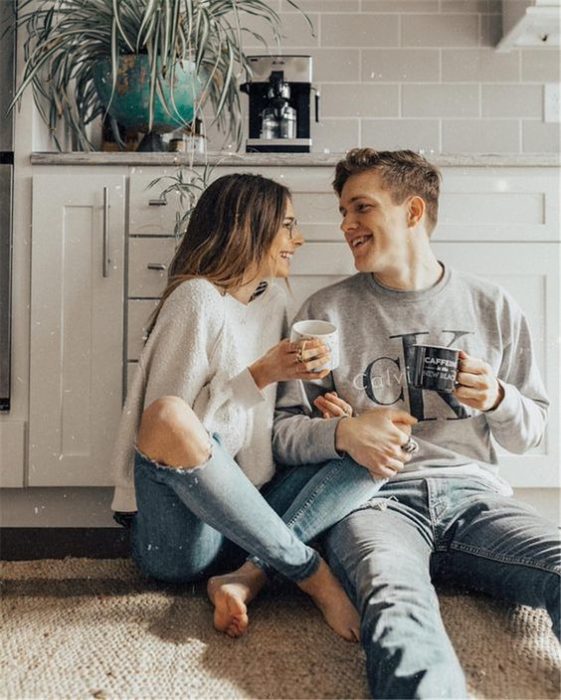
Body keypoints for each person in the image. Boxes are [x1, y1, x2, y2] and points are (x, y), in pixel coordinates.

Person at [273, 149, 560, 699]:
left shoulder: (491, 305)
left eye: (361, 208)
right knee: (394, 601)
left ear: (412, 212)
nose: (345, 226)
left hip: (479, 500)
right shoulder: (324, 313)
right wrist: (341, 433)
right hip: (376, 503)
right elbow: (284, 433)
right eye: (343, 212)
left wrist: (499, 397)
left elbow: (530, 434)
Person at [110, 172, 405, 642]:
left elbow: (273, 435)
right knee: (170, 416)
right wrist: (260, 375)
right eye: (287, 225)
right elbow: (172, 439)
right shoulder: (197, 300)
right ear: (249, 227)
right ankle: (313, 576)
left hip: (250, 522)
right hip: (183, 535)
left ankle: (246, 577)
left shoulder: (276, 302)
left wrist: (332, 425)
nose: (299, 239)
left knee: (377, 451)